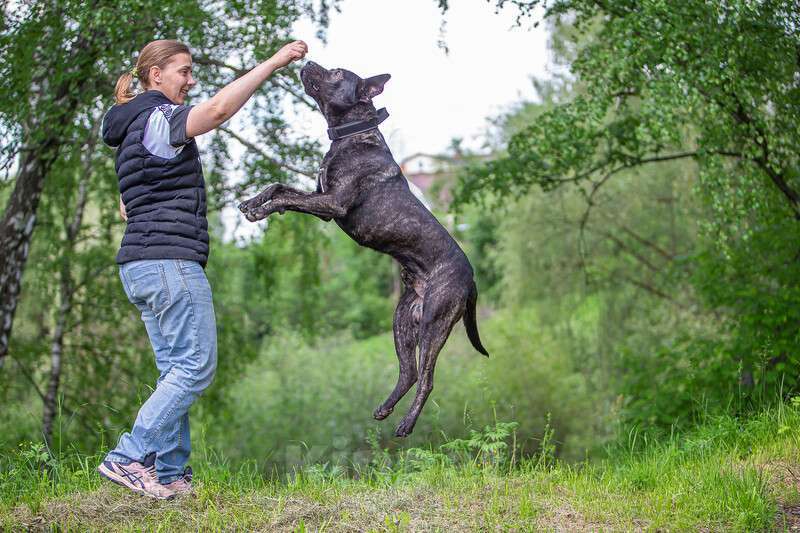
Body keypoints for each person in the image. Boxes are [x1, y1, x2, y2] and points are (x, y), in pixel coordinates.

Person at [98, 38, 307, 500]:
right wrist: (272, 62)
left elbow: (135, 195)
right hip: (169, 262)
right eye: (183, 72)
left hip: (141, 264)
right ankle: (128, 457)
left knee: (176, 368)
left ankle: (169, 474)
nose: (191, 81)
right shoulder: (158, 117)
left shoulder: (133, 127)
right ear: (156, 76)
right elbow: (214, 112)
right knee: (195, 366)